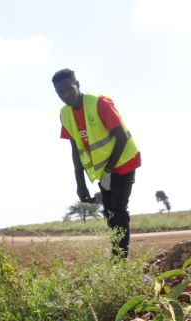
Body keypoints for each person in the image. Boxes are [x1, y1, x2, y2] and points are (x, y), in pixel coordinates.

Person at [53, 68, 141, 258]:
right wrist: (80, 184)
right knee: (109, 213)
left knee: (118, 209)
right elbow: (75, 148)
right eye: (60, 92)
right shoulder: (65, 114)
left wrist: (109, 170)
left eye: (69, 89)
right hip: (104, 170)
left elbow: (121, 137)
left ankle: (121, 261)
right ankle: (117, 255)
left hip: (124, 161)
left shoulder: (99, 103)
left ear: (77, 84)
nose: (65, 95)